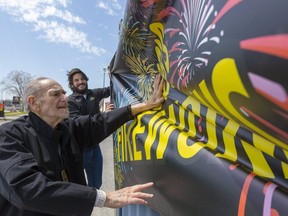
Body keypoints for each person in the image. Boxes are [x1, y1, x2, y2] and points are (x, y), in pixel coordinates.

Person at [0, 75, 164, 216]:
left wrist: (145, 105)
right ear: (34, 102)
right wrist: (104, 198)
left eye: (64, 93)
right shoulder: (9, 136)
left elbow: (100, 122)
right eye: (56, 94)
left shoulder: (66, 128)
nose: (65, 98)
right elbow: (27, 190)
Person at [67, 68, 114, 189]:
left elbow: (112, 89)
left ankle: (88, 202)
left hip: (95, 146)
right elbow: (81, 123)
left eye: (82, 79)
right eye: (76, 80)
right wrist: (103, 115)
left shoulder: (94, 94)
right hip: (79, 149)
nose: (80, 82)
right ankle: (77, 204)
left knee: (96, 184)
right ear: (72, 84)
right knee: (75, 183)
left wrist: (112, 75)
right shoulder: (70, 101)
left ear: (86, 80)